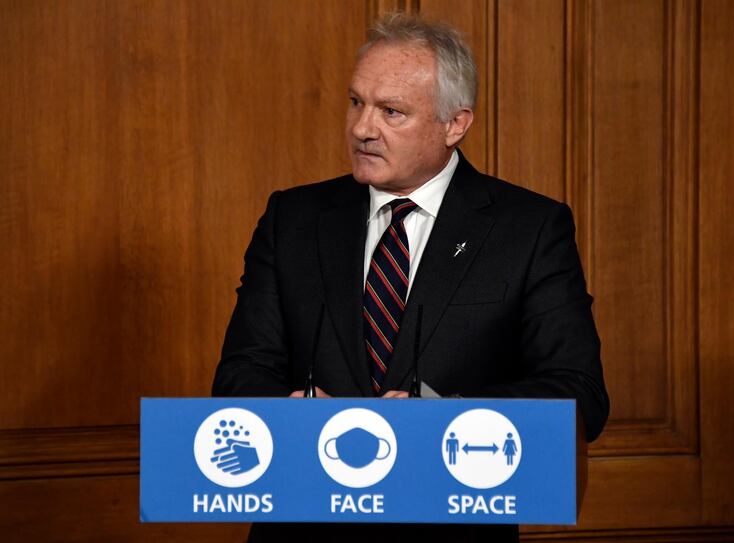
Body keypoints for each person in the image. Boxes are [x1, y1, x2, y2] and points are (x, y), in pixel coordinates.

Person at [213, 12, 609, 543]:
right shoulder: (293, 219)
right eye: (356, 102)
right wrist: (291, 413)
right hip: (307, 523)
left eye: (390, 111)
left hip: (451, 526)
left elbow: (579, 392)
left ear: (455, 124)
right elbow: (240, 376)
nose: (361, 128)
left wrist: (446, 419)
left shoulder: (530, 229)